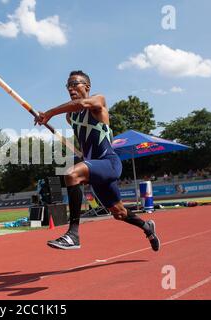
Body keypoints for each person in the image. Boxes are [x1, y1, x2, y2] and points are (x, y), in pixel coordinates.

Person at [34, 70, 160, 251]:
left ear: (87, 86)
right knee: (119, 213)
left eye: (75, 83)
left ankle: (73, 234)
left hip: (108, 163)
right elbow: (83, 130)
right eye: (68, 85)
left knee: (71, 174)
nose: (70, 88)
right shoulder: (71, 117)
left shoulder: (98, 100)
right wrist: (45, 120)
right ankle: (147, 227)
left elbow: (82, 103)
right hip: (95, 168)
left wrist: (50, 113)